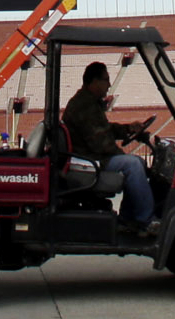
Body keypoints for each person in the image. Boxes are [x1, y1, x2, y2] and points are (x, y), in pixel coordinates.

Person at [62, 61, 155, 228]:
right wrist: (121, 154)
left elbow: (105, 129)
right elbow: (100, 144)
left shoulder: (89, 102)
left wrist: (128, 129)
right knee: (133, 164)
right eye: (106, 80)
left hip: (90, 156)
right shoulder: (84, 106)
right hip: (89, 160)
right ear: (94, 81)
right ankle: (146, 220)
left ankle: (128, 217)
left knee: (137, 162)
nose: (109, 84)